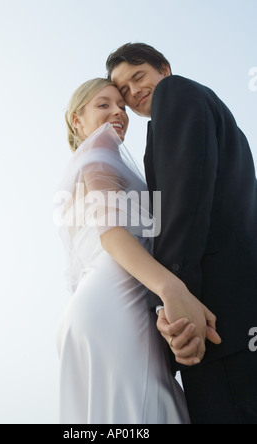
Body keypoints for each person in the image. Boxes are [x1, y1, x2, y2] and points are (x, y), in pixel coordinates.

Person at [106, 42, 257, 424]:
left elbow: (184, 204)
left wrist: (176, 306)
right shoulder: (200, 111)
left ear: (164, 69)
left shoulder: (177, 93)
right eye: (123, 90)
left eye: (138, 76)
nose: (133, 92)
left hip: (216, 318)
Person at [54, 78, 195, 424]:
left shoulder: (87, 165)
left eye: (120, 106)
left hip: (95, 307)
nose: (118, 111)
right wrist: (172, 288)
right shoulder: (100, 155)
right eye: (103, 105)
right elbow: (112, 235)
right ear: (77, 120)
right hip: (119, 302)